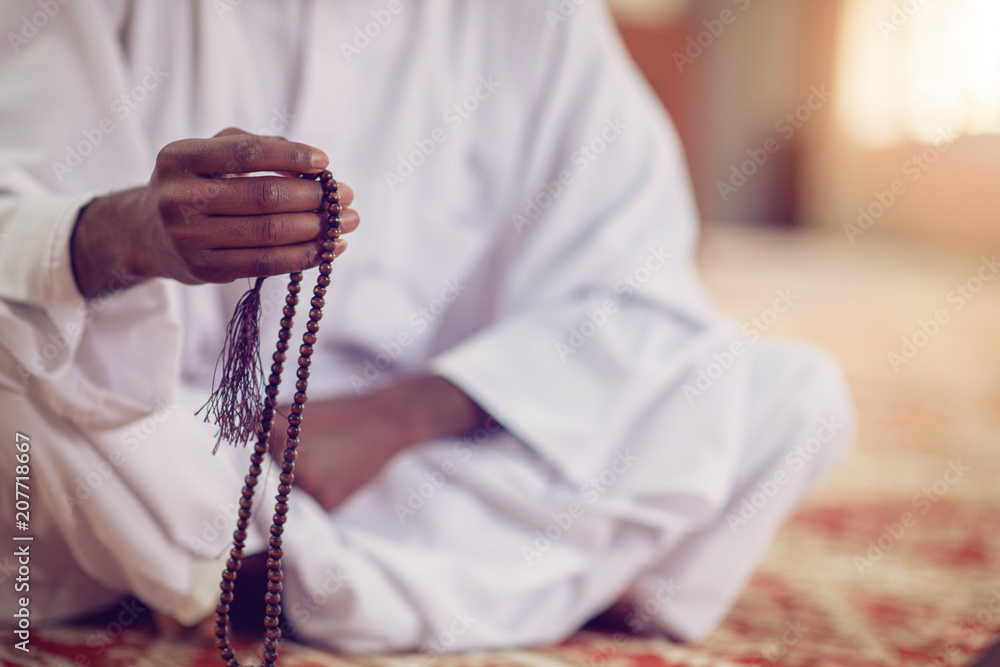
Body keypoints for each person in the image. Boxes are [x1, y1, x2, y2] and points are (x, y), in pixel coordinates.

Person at [0, 0, 855, 653]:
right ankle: (497, 580)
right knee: (20, 389)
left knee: (787, 397)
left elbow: (637, 289)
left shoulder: (541, 20)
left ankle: (261, 573)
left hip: (413, 459)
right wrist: (125, 233)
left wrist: (398, 417)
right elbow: (17, 227)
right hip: (163, 436)